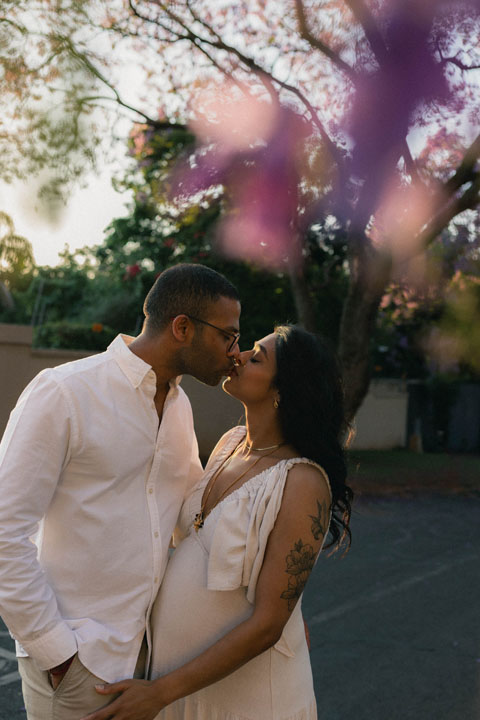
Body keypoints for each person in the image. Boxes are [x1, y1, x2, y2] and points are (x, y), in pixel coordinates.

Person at [0, 263, 241, 720]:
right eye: (227, 335)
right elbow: (3, 531)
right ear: (183, 327)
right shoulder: (65, 393)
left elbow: (191, 519)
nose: (235, 350)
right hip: (77, 662)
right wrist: (57, 653)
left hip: (148, 657)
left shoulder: (179, 406)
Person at [82, 324, 354, 720]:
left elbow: (267, 624)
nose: (237, 356)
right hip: (179, 690)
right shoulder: (229, 444)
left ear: (284, 390)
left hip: (246, 702)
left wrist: (159, 693)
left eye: (255, 357)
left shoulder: (302, 480)